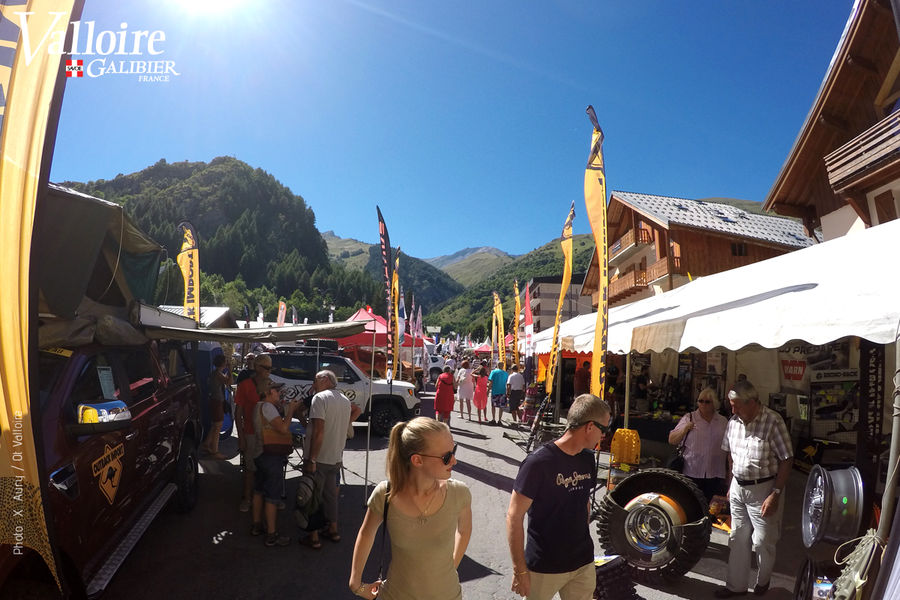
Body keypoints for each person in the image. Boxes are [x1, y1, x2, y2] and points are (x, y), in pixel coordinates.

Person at [349, 417, 472, 600]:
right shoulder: (385, 494)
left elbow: (464, 530)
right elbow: (366, 534)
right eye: (446, 456)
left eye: (453, 451)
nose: (454, 461)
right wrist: (356, 584)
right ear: (417, 460)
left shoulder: (459, 493)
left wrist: (451, 566)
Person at [507, 394, 611, 599]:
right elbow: (514, 516)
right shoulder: (538, 463)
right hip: (543, 566)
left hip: (582, 562)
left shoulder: (587, 459)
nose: (604, 436)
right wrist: (519, 570)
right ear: (590, 427)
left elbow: (584, 501)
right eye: (604, 429)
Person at [714, 380, 793, 599]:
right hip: (739, 486)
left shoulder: (773, 421)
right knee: (737, 537)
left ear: (752, 402)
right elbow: (730, 454)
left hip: (764, 489)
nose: (733, 410)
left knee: (762, 541)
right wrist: (731, 483)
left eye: (736, 405)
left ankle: (763, 582)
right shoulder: (733, 422)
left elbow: (787, 459)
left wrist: (775, 494)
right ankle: (735, 587)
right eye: (731, 405)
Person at [301, 370, 362, 549]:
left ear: (325, 380)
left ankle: (313, 536)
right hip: (335, 456)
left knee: (313, 497)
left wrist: (312, 458)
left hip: (320, 457)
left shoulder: (319, 399)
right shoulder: (343, 400)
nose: (313, 384)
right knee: (330, 496)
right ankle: (333, 530)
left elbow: (319, 431)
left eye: (315, 380)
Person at [250, 379, 300, 547]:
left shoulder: (259, 406)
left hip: (259, 453)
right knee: (272, 495)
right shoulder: (268, 407)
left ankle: (257, 526)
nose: (279, 393)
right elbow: (283, 429)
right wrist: (291, 410)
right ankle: (272, 534)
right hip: (270, 455)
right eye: (276, 391)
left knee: (258, 490)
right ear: (268, 392)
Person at [667, 387, 728, 503]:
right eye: (700, 401)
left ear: (714, 403)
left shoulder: (723, 421)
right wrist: (684, 429)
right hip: (692, 471)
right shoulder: (689, 418)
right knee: (691, 504)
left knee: (710, 507)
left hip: (715, 472)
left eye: (707, 402)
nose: (703, 404)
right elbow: (672, 440)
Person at [234, 354, 272, 512]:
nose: (269, 371)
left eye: (271, 368)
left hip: (268, 434)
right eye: (266, 368)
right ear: (256, 367)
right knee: (250, 469)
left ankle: (268, 499)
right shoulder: (245, 385)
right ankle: (247, 498)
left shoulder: (271, 384)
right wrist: (241, 437)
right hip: (250, 433)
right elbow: (238, 414)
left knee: (267, 468)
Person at [202, 353, 232, 459]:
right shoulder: (218, 374)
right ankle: (215, 451)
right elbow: (229, 381)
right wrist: (231, 370)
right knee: (218, 426)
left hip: (214, 400)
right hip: (217, 401)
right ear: (223, 363)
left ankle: (206, 444)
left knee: (215, 425)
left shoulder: (215, 373)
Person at [488, 362, 509, 426]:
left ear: (497, 365)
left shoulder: (493, 372)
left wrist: (488, 390)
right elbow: (507, 383)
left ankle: (493, 419)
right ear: (503, 366)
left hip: (495, 391)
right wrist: (508, 392)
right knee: (501, 406)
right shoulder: (506, 373)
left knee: (493, 406)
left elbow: (490, 382)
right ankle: (499, 420)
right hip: (502, 391)